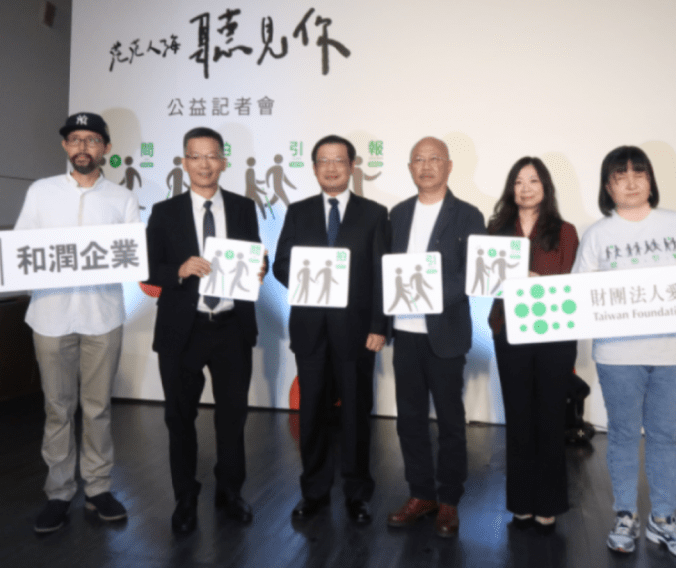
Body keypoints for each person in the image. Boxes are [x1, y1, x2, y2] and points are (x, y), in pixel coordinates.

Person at [571, 146, 676, 561]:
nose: (631, 183)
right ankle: (625, 516)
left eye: (639, 173)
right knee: (624, 435)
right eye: (620, 176)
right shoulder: (598, 234)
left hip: (672, 350)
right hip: (617, 353)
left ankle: (663, 519)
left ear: (650, 180)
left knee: (665, 436)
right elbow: (578, 292)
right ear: (607, 187)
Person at [14, 112, 139, 534]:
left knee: (98, 407)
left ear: (106, 148)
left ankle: (98, 488)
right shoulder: (41, 191)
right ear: (66, 147)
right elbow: (20, 247)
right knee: (57, 407)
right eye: (75, 139)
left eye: (92, 140)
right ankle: (59, 492)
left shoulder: (122, 199)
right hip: (50, 314)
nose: (83, 147)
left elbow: (133, 256)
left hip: (102, 314)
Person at [145, 127, 267, 534]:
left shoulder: (244, 207)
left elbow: (255, 256)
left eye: (212, 155)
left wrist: (260, 268)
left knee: (232, 417)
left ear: (224, 162)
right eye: (195, 156)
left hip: (231, 327)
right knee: (179, 418)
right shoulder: (165, 212)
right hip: (183, 330)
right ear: (184, 162)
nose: (204, 164)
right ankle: (185, 497)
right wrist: (178, 270)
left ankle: (229, 492)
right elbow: (148, 269)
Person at [273, 135, 389, 525]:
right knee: (311, 414)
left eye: (339, 160)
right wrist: (308, 276)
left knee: (356, 414)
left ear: (352, 166)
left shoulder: (374, 214)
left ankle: (357, 494)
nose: (332, 167)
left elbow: (382, 273)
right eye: (324, 161)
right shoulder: (298, 211)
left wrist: (379, 326)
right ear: (314, 168)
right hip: (310, 330)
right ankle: (314, 491)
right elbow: (281, 264)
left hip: (357, 332)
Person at [385, 136, 485, 538]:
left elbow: (473, 273)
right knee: (409, 420)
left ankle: (448, 500)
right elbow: (386, 268)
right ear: (410, 168)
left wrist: (430, 295)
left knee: (450, 422)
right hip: (405, 332)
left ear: (448, 166)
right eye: (418, 160)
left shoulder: (468, 215)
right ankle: (420, 494)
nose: (426, 166)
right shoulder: (398, 214)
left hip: (445, 333)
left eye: (434, 159)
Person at [486, 157, 579, 534]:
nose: (525, 188)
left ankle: (549, 504)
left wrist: (535, 280)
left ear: (546, 187)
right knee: (519, 417)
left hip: (552, 333)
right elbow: (484, 279)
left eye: (533, 181)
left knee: (550, 418)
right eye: (518, 182)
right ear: (511, 188)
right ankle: (521, 503)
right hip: (508, 329)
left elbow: (569, 282)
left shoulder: (565, 231)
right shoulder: (495, 231)